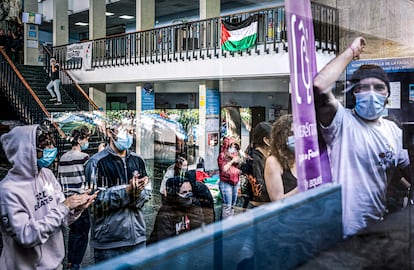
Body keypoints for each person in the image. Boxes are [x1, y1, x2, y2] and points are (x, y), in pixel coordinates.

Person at [313, 36, 413, 238]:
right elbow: (319, 85)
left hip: (374, 230)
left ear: (387, 94)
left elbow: (407, 172)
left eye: (378, 87)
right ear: (354, 92)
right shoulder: (341, 122)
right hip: (339, 233)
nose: (371, 93)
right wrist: (351, 51)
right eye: (363, 87)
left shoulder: (393, 131)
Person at [0, 124, 97, 269]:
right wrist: (64, 207)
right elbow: (26, 235)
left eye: (50, 144)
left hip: (55, 265)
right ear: (27, 151)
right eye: (44, 146)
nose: (50, 149)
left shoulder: (47, 174)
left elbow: (62, 219)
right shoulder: (8, 190)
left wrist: (76, 208)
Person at [84, 123, 150, 263]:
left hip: (137, 239)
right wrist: (126, 192)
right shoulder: (96, 163)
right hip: (109, 243)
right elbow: (94, 204)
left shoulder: (138, 160)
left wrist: (138, 193)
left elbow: (145, 196)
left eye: (130, 131)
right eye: (122, 130)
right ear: (109, 133)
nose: (127, 135)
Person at [58, 126, 91, 270]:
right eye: (86, 138)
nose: (88, 141)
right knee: (82, 233)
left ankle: (71, 261)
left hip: (67, 201)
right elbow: (89, 180)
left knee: (73, 232)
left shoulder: (63, 158)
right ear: (80, 140)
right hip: (81, 201)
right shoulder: (84, 157)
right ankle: (75, 264)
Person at [149, 176, 204, 244]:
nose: (188, 195)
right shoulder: (165, 213)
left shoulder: (194, 206)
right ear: (174, 195)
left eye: (190, 192)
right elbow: (165, 244)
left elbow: (199, 232)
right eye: (184, 192)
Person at [264, 115, 298, 202]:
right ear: (281, 136)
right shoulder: (273, 162)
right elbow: (277, 200)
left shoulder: (303, 159)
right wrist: (302, 187)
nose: (297, 137)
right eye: (292, 134)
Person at [246, 121, 272, 208]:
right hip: (257, 207)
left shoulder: (265, 156)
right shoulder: (255, 159)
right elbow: (258, 189)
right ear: (266, 140)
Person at [217, 137, 241, 219]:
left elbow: (239, 168)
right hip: (226, 183)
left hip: (236, 182)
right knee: (227, 206)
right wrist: (232, 161)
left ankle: (230, 224)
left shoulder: (235, 154)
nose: (233, 148)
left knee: (232, 206)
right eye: (231, 146)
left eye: (235, 146)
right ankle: (225, 228)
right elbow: (223, 169)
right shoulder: (222, 155)